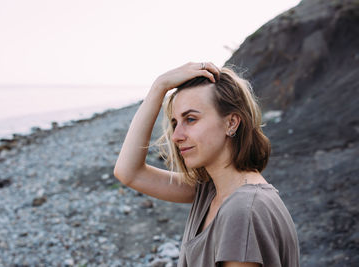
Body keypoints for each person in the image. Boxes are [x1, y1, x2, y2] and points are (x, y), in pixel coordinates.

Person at [114, 62, 300, 267]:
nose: (176, 136)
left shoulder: (243, 210)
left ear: (231, 123)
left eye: (191, 119)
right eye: (175, 123)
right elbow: (128, 172)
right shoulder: (211, 190)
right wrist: (159, 87)